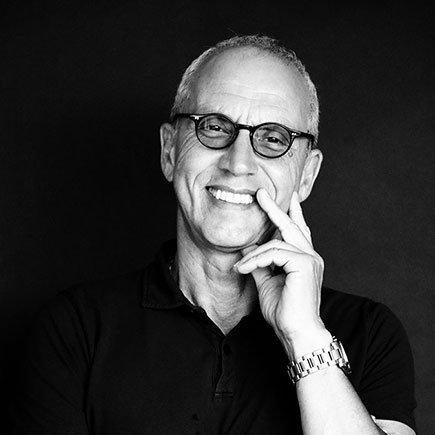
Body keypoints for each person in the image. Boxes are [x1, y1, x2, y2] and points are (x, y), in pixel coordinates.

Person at [11, 35, 416, 435]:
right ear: (170, 151)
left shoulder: (369, 332)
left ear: (306, 175)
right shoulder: (75, 330)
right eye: (215, 127)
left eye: (273, 139)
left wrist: (306, 337)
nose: (238, 163)